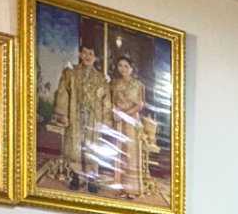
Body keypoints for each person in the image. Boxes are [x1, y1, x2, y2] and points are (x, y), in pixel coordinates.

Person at [50, 40, 109, 190]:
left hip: (94, 118)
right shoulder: (70, 73)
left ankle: (91, 180)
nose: (87, 56)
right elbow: (63, 93)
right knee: (75, 147)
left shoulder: (101, 79)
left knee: (92, 148)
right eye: (85, 53)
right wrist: (63, 114)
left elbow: (106, 102)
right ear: (80, 54)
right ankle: (75, 177)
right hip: (75, 115)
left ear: (96, 57)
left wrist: (106, 123)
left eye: (91, 54)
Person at [102, 54, 160, 198]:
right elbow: (111, 100)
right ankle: (122, 187)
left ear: (131, 68)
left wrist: (123, 114)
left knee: (131, 153)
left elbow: (139, 105)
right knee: (120, 152)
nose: (123, 69)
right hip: (119, 122)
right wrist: (115, 112)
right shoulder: (114, 83)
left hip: (131, 121)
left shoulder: (138, 85)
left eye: (126, 66)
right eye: (120, 66)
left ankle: (133, 189)